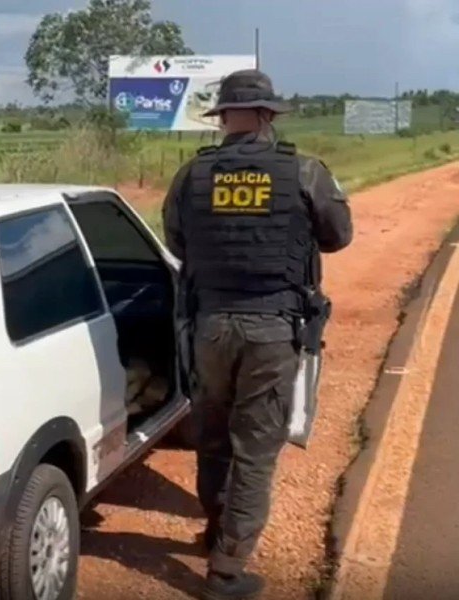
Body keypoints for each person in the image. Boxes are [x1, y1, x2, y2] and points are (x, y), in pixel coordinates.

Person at [162, 70, 353, 600]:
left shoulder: (191, 175)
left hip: (209, 325)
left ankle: (215, 530)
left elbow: (177, 241)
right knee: (256, 448)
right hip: (271, 328)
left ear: (223, 117)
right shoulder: (304, 172)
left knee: (213, 432)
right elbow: (339, 236)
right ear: (268, 115)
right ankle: (226, 572)